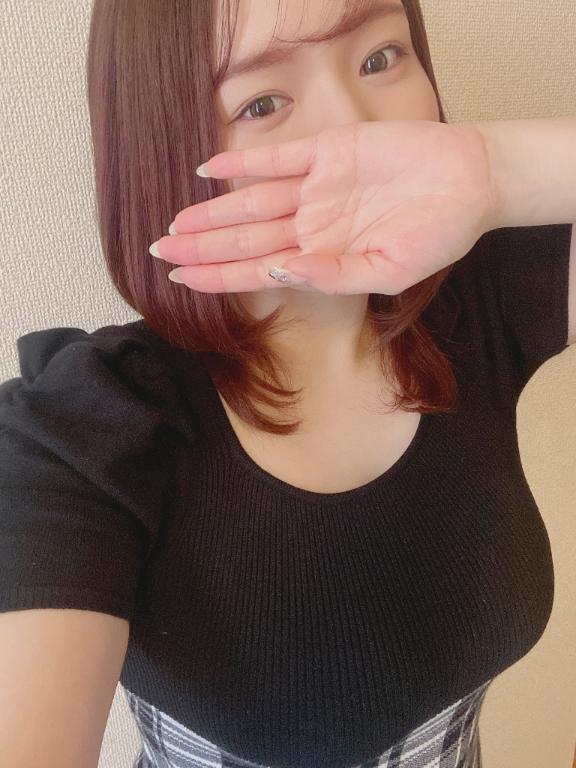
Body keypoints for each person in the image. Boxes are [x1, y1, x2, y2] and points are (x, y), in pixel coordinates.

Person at [0, 1, 572, 767]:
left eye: (381, 58)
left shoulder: (483, 301)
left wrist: (497, 173)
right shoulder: (82, 434)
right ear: (165, 146)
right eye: (262, 103)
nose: (357, 128)